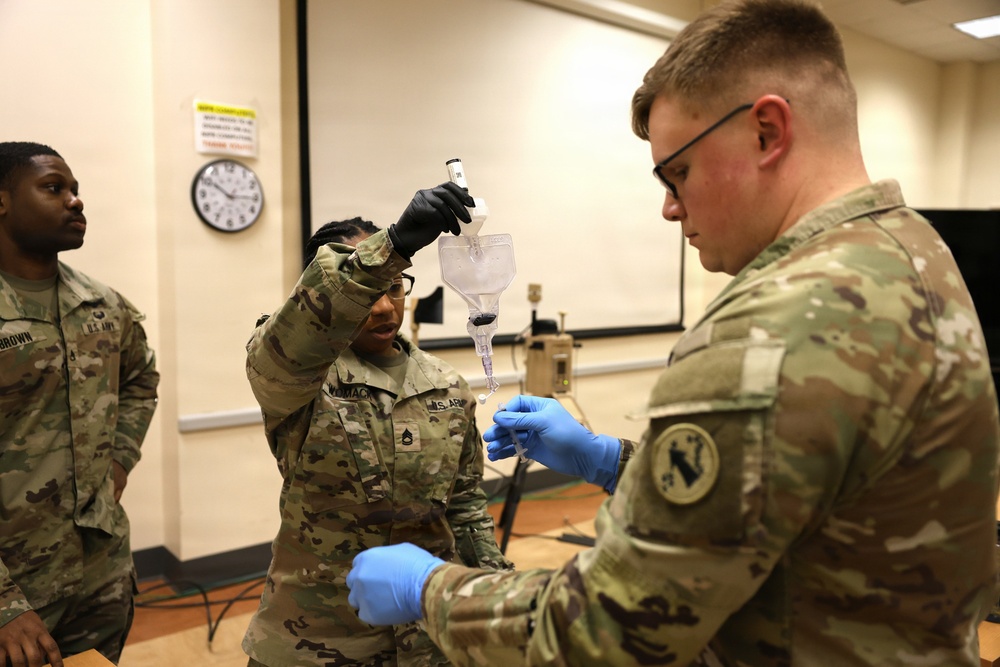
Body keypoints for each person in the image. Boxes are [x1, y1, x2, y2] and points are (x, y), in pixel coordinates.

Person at [344, 1, 1000, 665]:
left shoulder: (775, 326)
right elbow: (783, 501)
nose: (669, 206)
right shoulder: (912, 250)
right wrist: (609, 460)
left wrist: (430, 588)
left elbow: (608, 632)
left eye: (677, 171)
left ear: (767, 131)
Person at [242, 198, 514, 666]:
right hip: (319, 640)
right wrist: (393, 244)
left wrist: (496, 597)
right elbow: (292, 341)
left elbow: (466, 507)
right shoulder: (299, 376)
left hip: (428, 637)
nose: (386, 307)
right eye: (370, 291)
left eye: (396, 287)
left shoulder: (445, 384)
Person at [0, 141, 159, 667]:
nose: (75, 202)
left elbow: (141, 378)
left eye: (76, 191)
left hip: (100, 573)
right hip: (14, 582)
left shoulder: (102, 304)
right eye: (54, 188)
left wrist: (118, 461)